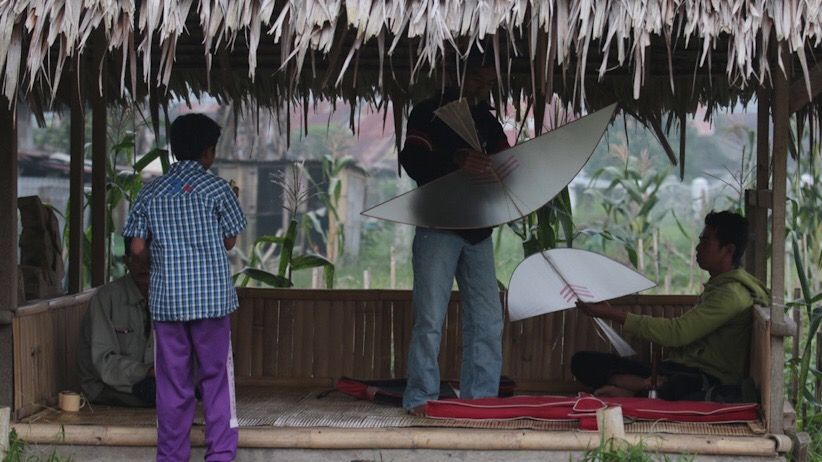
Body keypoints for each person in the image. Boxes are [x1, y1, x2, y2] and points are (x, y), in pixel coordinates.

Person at [124, 113, 246, 462]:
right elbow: (229, 241)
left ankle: (172, 456)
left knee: (172, 382)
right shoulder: (219, 189)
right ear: (208, 152)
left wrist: (160, 254)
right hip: (211, 302)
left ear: (174, 149)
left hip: (168, 302)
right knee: (215, 379)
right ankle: (220, 454)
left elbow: (135, 248)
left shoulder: (150, 192)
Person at [400, 52, 510, 415]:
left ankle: (480, 402)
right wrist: (456, 160)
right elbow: (413, 161)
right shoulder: (427, 113)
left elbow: (506, 165)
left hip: (478, 230)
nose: (482, 87)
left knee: (488, 318)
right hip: (438, 226)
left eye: (489, 82)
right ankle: (420, 399)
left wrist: (501, 171)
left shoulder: (484, 120)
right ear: (456, 72)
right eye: (478, 77)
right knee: (430, 317)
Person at [572, 211, 770, 401]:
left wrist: (611, 313)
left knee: (679, 386)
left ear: (728, 250)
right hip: (675, 369)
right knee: (583, 362)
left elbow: (676, 334)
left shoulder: (731, 295)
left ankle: (638, 391)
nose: (698, 247)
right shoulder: (720, 286)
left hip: (703, 378)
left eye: (705, 240)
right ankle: (642, 387)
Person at [77, 236, 155, 407]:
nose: (145, 267)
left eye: (150, 260)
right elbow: (103, 363)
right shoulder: (105, 299)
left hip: (152, 385)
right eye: (137, 260)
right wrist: (147, 372)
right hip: (105, 389)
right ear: (127, 261)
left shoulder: (167, 296)